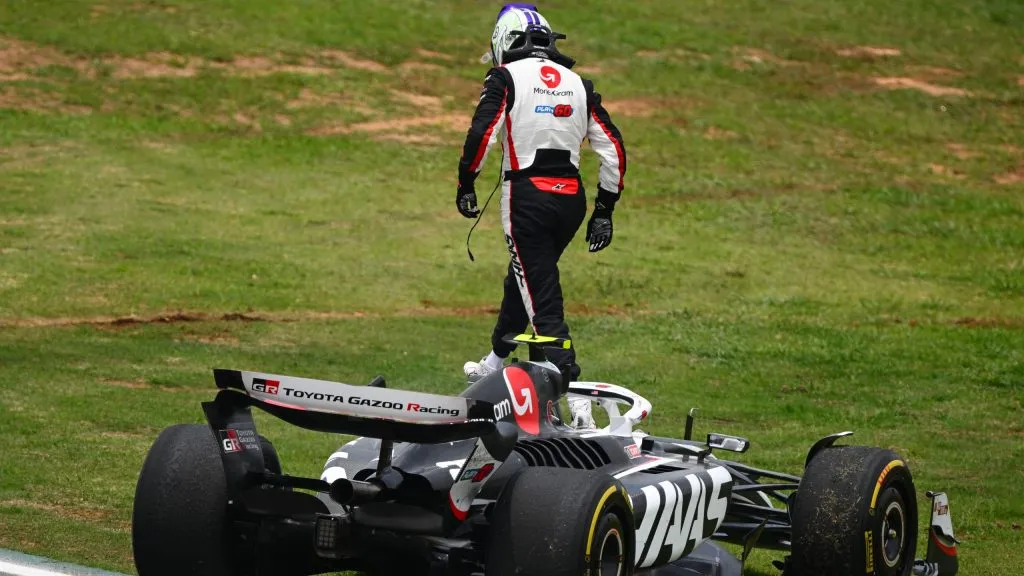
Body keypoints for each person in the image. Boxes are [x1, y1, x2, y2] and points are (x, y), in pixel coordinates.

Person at [455, 4, 627, 429]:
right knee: (529, 278)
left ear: (503, 42)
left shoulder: (504, 78)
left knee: (542, 298)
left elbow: (482, 134)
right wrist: (604, 210)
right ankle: (497, 361)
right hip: (570, 199)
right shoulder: (578, 83)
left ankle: (574, 392)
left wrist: (466, 182)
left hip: (526, 197)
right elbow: (614, 151)